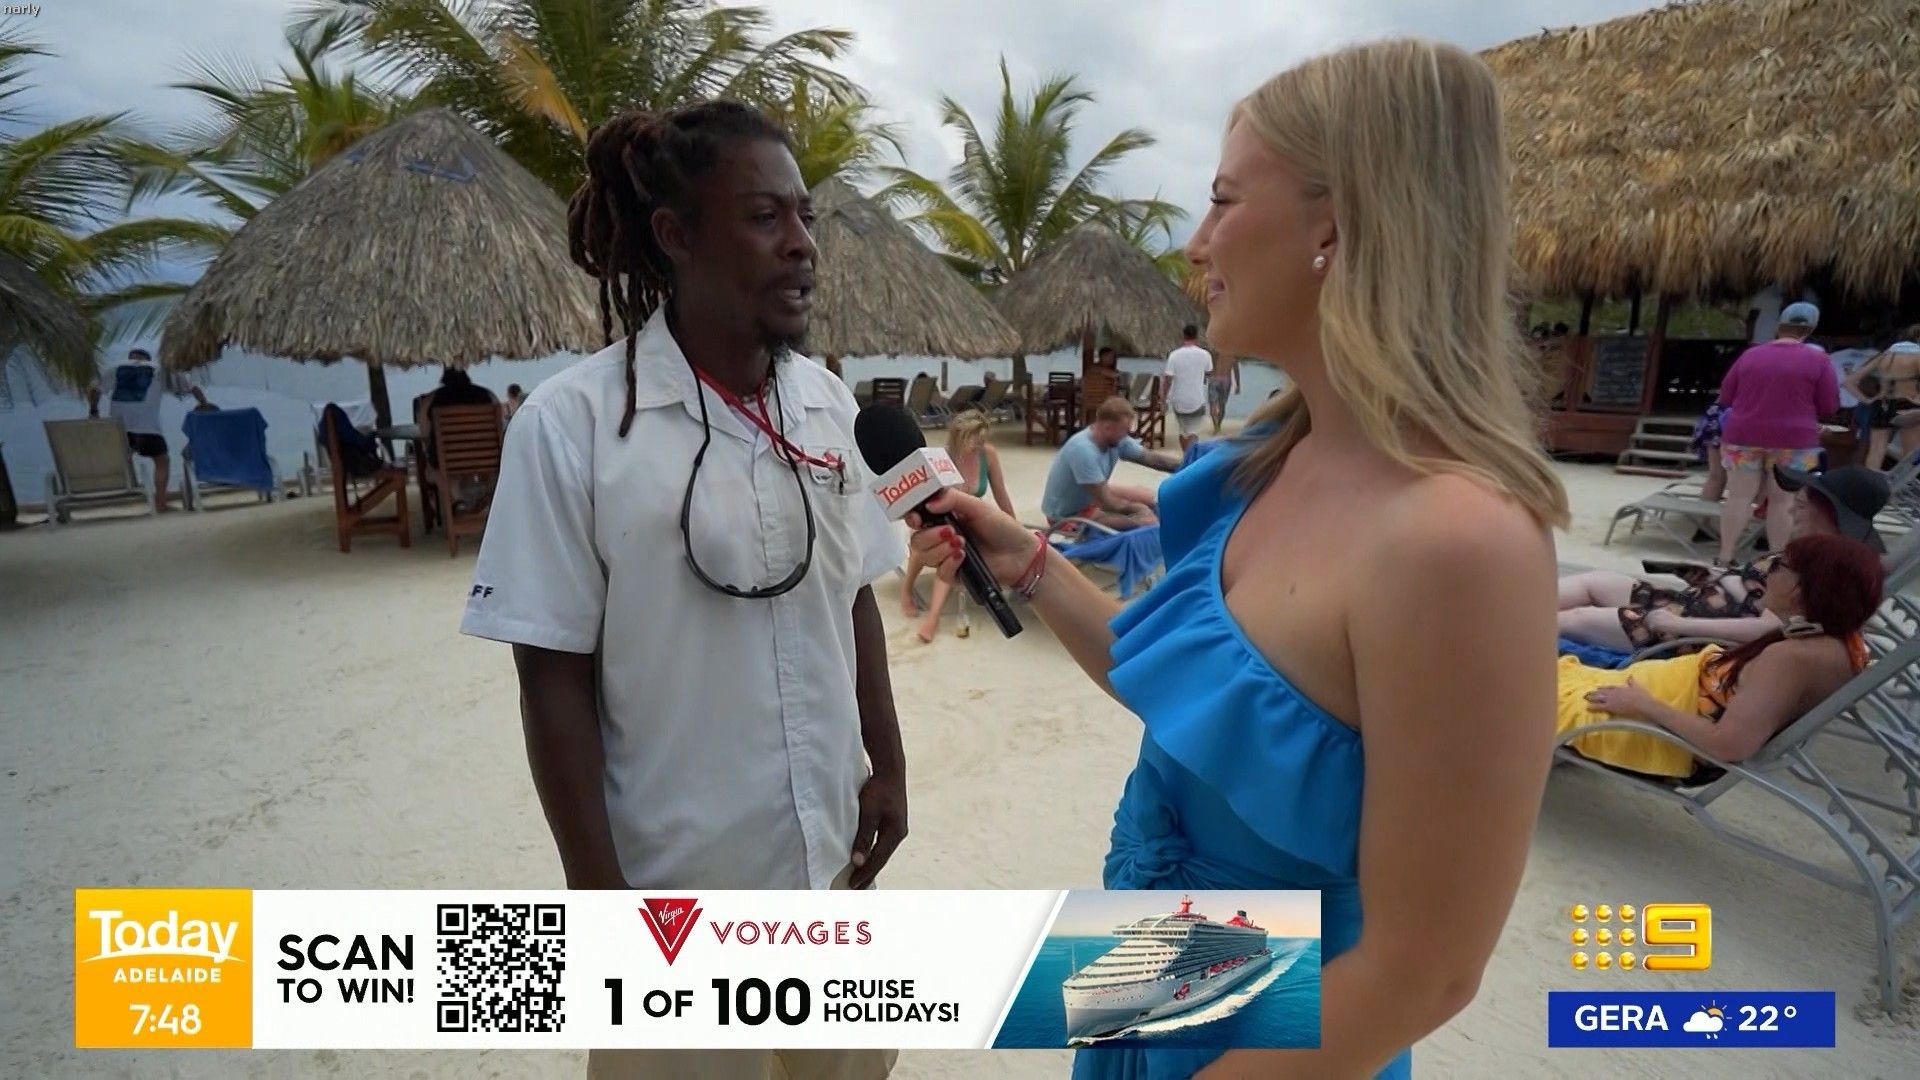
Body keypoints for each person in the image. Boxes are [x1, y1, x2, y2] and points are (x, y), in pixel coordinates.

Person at [907, 40, 1564, 1078]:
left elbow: (1423, 970)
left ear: (1335, 226)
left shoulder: (1458, 544)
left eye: (1220, 201)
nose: (1196, 242)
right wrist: (1027, 558)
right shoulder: (1264, 460)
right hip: (1159, 968)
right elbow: (1194, 698)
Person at [458, 102, 903, 1080]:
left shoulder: (829, 406)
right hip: (673, 898)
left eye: (806, 217)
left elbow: (855, 594)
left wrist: (890, 765)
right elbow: (551, 674)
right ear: (675, 235)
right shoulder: (572, 427)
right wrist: (595, 891)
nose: (802, 245)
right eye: (765, 217)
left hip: (828, 865)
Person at [1559, 533, 1883, 779]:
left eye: (1778, 565)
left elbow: (1727, 745)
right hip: (1664, 688)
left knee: (1536, 685)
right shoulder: (1839, 640)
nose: (1766, 572)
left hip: (1659, 721)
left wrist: (1641, 704)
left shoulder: (1789, 659)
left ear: (1800, 590)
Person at [1559, 464, 1890, 651]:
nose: (1792, 510)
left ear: (1829, 512)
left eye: (1801, 505)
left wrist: (1680, 625)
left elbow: (1774, 629)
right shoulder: (1814, 548)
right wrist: (1706, 574)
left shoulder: (1825, 567)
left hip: (1690, 630)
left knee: (1576, 618)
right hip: (1685, 602)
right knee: (1594, 582)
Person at [1713, 301, 1839, 565]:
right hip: (1794, 441)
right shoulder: (1819, 359)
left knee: (1738, 497)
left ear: (1779, 326)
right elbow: (1829, 405)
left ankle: (1725, 557)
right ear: (1810, 329)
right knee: (1783, 501)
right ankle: (1776, 561)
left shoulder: (1750, 355)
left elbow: (1726, 396)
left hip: (1743, 436)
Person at [898, 409, 1015, 642]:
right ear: (958, 437)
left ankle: (932, 616)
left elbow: (1002, 495)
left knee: (957, 551)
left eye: (982, 440)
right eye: (974, 440)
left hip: (970, 521)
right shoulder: (940, 459)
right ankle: (910, 595)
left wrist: (1013, 527)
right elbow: (923, 502)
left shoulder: (988, 455)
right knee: (939, 542)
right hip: (939, 518)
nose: (978, 446)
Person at [86, 347, 210, 512]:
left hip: (120, 428)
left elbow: (95, 390)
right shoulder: (159, 369)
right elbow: (192, 387)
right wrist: (204, 404)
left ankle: (109, 495)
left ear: (131, 357)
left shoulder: (115, 368)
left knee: (122, 459)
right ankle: (160, 503)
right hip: (148, 429)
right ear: (147, 359)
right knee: (162, 461)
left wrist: (94, 412)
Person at [1040, 396, 1181, 530]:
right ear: (1108, 427)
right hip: (1067, 515)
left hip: (1089, 497)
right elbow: (1107, 501)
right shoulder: (1083, 451)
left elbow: (1150, 458)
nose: (1126, 436)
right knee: (1144, 524)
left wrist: (1187, 466)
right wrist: (1139, 510)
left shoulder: (1116, 439)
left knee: (1150, 497)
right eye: (1124, 431)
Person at [1844, 325, 1920, 470]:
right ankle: (1899, 485)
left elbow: (1849, 382)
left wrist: (1867, 400)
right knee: (1908, 456)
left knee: (1876, 451)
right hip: (1909, 404)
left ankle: (1869, 483)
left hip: (1883, 404)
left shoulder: (1885, 355)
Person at [1164, 324, 1214, 450]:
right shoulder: (1205, 355)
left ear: (1184, 336)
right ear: (1197, 336)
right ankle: (1190, 457)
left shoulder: (1174, 355)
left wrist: (1163, 398)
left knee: (1183, 432)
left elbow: (1168, 379)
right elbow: (1209, 372)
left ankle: (1185, 455)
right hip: (1197, 399)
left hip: (1178, 399)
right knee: (1193, 432)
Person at [1208, 349, 1242, 435]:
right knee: (1222, 405)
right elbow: (1236, 371)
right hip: (1226, 381)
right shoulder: (1232, 356)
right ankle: (1218, 426)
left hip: (1214, 379)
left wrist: (1204, 377)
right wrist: (1238, 385)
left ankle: (1215, 427)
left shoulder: (1214, 354)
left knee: (1213, 404)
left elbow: (1208, 368)